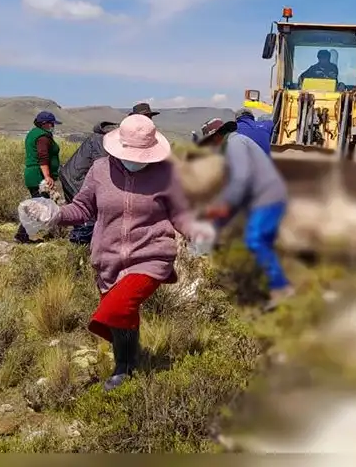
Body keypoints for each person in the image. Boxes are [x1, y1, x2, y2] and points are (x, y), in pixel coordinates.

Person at [43, 114, 214, 391]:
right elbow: (83, 209)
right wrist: (54, 215)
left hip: (151, 256)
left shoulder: (167, 174)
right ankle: (126, 366)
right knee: (124, 319)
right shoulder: (100, 170)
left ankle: (126, 359)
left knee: (114, 310)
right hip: (107, 259)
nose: (138, 159)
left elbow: (181, 214)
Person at [194, 117, 293, 310]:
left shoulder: (235, 144)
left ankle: (281, 289)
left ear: (217, 137)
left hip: (267, 196)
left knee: (256, 240)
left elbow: (241, 179)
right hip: (260, 196)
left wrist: (222, 206)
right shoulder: (233, 145)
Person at [58, 121, 119, 244]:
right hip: (76, 179)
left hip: (73, 176)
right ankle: (80, 246)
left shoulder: (98, 138)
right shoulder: (100, 140)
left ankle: (80, 244)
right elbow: (103, 165)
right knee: (86, 213)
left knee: (84, 214)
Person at [16, 110, 61, 244]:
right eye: (51, 123)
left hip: (33, 174)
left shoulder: (33, 133)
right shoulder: (42, 137)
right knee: (37, 206)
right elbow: (43, 157)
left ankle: (28, 234)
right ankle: (22, 235)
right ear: (45, 123)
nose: (53, 126)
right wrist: (47, 176)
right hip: (38, 176)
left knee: (41, 205)